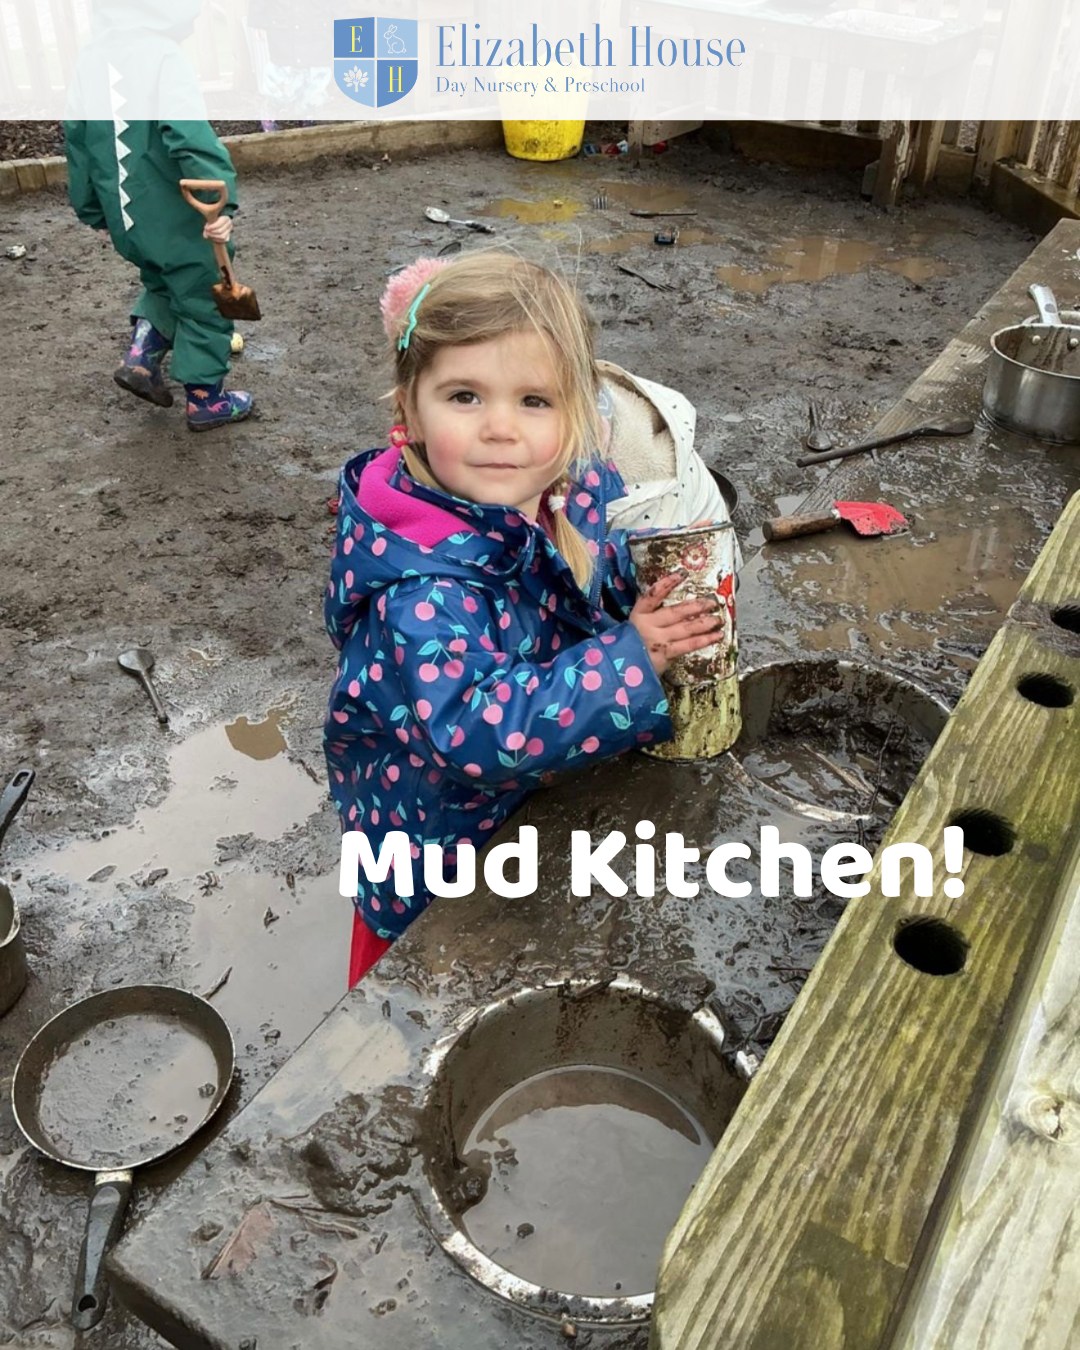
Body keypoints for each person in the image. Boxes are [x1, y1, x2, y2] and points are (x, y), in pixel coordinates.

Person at [324, 252, 725, 987]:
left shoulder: (563, 492)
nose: (501, 429)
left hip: (515, 810)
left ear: (579, 411)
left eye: (534, 401)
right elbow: (474, 730)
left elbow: (577, 594)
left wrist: (623, 618)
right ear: (408, 410)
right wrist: (627, 662)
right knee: (420, 1013)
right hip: (434, 850)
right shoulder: (422, 591)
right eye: (465, 396)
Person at [63, 109, 254, 431]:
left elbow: (78, 147)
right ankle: (207, 400)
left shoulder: (89, 69)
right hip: (176, 216)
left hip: (126, 219)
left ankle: (140, 358)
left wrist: (93, 211)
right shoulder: (159, 61)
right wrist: (219, 205)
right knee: (203, 297)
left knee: (162, 283)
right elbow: (192, 139)